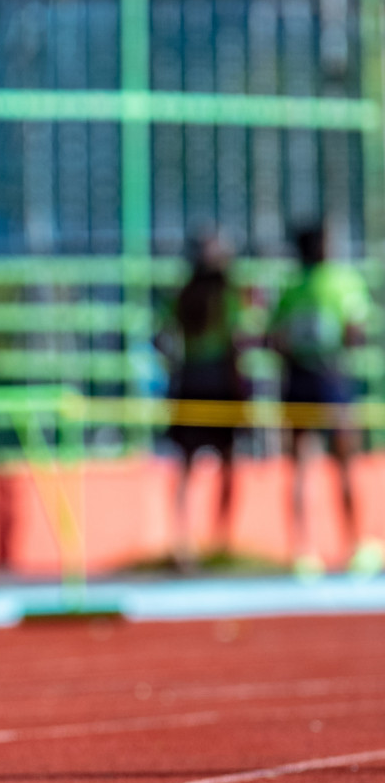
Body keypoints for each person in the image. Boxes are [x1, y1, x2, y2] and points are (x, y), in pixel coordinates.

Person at [267, 223, 375, 578]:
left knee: (300, 466)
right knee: (343, 464)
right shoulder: (343, 282)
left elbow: (275, 338)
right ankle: (355, 545)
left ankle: (303, 551)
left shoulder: (290, 287)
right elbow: (355, 332)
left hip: (299, 380)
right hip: (330, 381)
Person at [157, 234, 248, 571]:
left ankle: (186, 544)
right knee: (224, 464)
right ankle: (218, 543)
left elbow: (161, 339)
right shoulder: (229, 297)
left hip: (190, 381)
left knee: (187, 465)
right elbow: (237, 343)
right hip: (219, 383)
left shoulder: (182, 296)